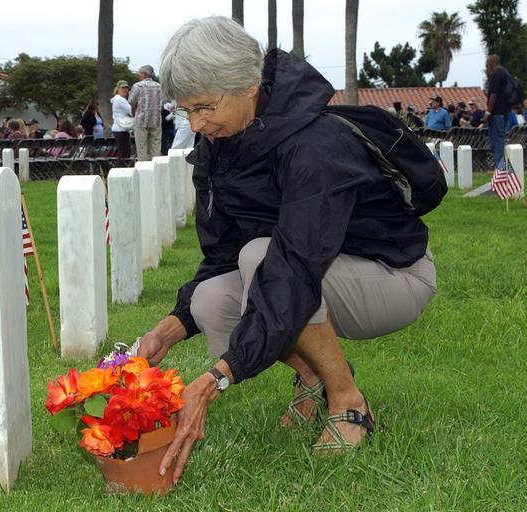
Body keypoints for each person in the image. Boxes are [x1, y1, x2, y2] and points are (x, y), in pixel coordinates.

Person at [137, 16, 437, 483]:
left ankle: (348, 400)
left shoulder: (314, 146)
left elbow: (293, 270)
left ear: (249, 84)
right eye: (185, 111)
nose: (196, 124)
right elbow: (221, 257)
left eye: (205, 107)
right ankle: (313, 376)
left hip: (392, 275)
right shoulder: (219, 142)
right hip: (305, 269)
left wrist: (217, 378)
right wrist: (169, 330)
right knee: (210, 299)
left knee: (261, 259)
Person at [129, 65, 163, 161]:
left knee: (141, 146)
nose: (139, 75)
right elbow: (163, 103)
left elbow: (131, 101)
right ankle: (157, 167)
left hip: (141, 120)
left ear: (144, 74)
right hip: (156, 120)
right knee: (156, 146)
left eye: (139, 73)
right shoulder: (159, 86)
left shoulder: (138, 86)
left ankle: (143, 167)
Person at [484, 55, 512, 168]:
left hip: (496, 113)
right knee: (499, 140)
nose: (486, 67)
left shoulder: (495, 74)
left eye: (487, 64)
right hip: (505, 112)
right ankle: (501, 167)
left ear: (492, 62)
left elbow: (493, 94)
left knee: (497, 142)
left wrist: (488, 112)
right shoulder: (505, 73)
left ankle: (500, 168)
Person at [111, 80, 134, 159]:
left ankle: (121, 166)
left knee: (124, 153)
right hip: (120, 129)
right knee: (124, 154)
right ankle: (121, 167)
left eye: (126, 88)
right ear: (118, 89)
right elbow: (132, 112)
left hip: (121, 129)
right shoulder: (120, 99)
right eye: (122, 88)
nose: (125, 90)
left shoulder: (118, 98)